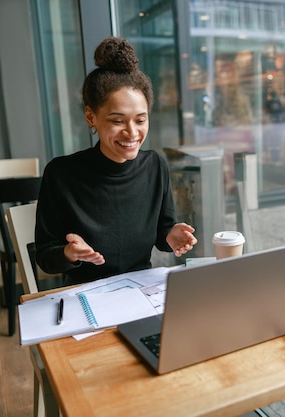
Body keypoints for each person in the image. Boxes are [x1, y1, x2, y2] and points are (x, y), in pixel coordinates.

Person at [35, 37, 197, 285]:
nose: (132, 133)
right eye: (117, 121)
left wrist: (171, 236)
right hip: (85, 293)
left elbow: (162, 234)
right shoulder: (61, 173)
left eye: (140, 120)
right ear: (91, 116)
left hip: (142, 291)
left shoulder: (155, 166)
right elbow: (46, 257)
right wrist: (69, 253)